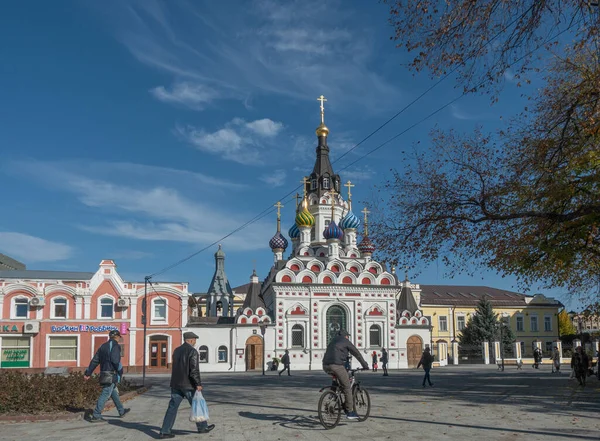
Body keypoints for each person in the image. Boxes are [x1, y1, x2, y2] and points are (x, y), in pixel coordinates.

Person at [159, 332, 215, 438]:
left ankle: (164, 431)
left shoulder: (176, 351)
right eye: (194, 340)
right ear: (190, 340)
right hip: (188, 385)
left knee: (172, 407)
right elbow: (194, 370)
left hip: (176, 384)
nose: (195, 342)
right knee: (197, 404)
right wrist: (198, 384)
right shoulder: (192, 351)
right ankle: (203, 427)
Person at [84, 329, 130, 422]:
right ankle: (96, 415)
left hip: (104, 373)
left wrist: (88, 373)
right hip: (111, 374)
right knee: (105, 393)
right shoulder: (116, 346)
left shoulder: (103, 346)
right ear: (117, 337)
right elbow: (115, 360)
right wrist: (120, 371)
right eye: (119, 337)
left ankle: (121, 411)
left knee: (113, 392)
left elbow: (95, 360)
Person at [322, 330, 369, 420]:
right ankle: (349, 411)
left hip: (325, 365)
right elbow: (356, 353)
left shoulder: (332, 341)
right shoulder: (345, 341)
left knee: (337, 380)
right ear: (346, 336)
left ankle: (331, 397)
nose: (348, 337)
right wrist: (365, 365)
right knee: (347, 387)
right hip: (336, 365)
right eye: (348, 336)